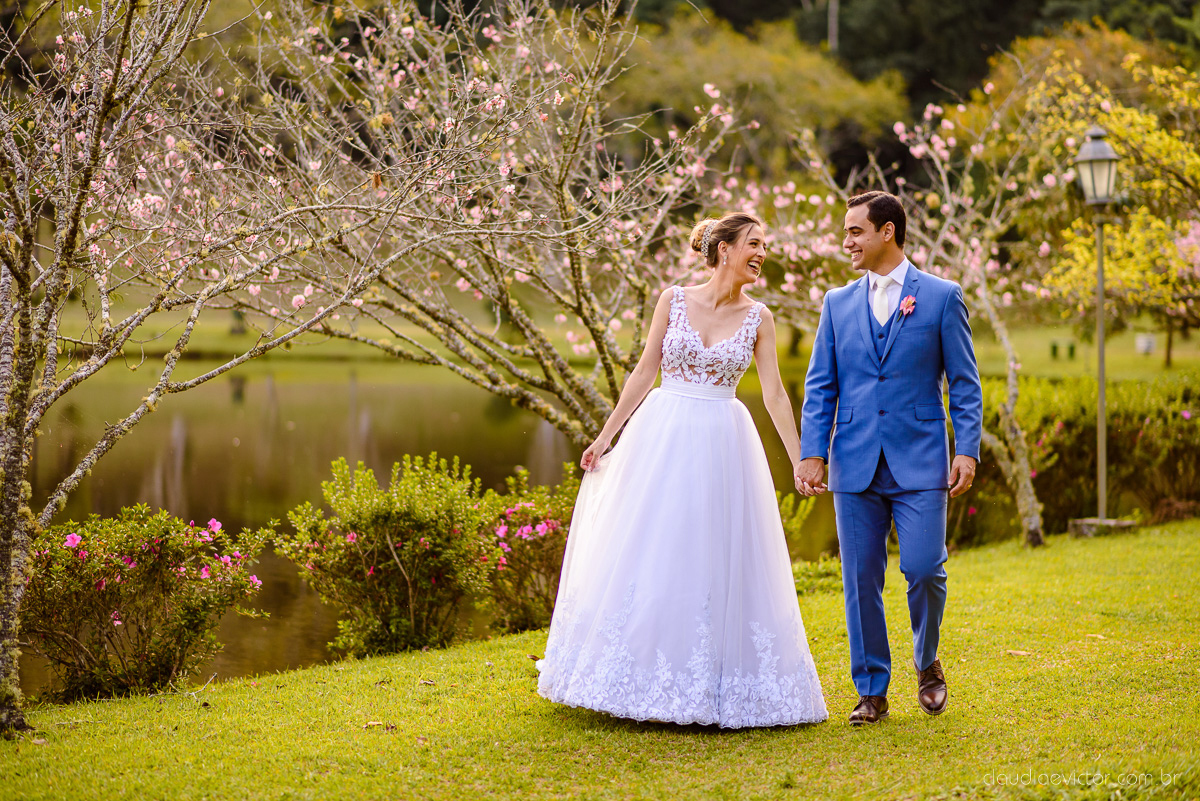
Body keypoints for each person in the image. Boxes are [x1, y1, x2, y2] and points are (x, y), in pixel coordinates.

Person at [535, 212, 828, 728]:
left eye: (766, 246)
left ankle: (713, 679)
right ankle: (639, 674)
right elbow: (645, 372)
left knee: (714, 553)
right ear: (723, 247)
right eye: (754, 243)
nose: (762, 254)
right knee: (654, 549)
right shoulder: (672, 301)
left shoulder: (761, 317)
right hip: (662, 435)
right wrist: (605, 439)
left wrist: (802, 456)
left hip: (724, 440)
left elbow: (776, 394)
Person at [796, 190, 983, 725]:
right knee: (860, 580)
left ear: (887, 232)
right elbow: (821, 385)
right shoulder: (836, 303)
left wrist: (965, 449)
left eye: (855, 231)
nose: (846, 241)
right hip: (853, 461)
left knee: (925, 569)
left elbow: (965, 384)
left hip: (922, 458)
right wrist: (813, 453)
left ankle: (927, 662)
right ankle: (871, 690)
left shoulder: (943, 297)